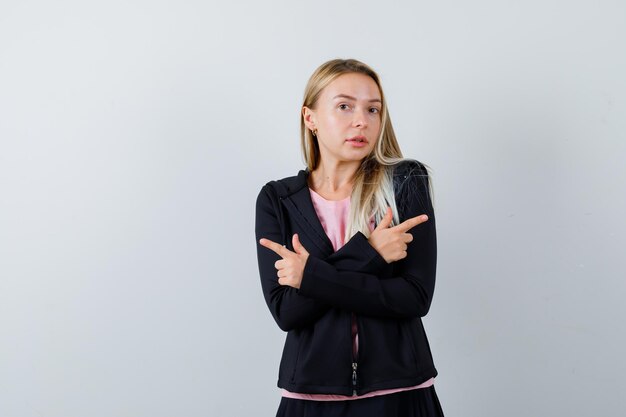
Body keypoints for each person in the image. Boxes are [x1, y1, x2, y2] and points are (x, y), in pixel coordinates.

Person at [255, 58, 444, 417]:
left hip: (401, 393)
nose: (362, 120)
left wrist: (310, 277)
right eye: (344, 106)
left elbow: (415, 298)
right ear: (309, 118)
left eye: (373, 109)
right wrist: (369, 254)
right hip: (310, 399)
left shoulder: (404, 183)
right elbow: (288, 311)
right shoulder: (277, 199)